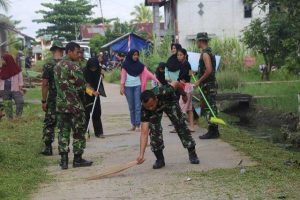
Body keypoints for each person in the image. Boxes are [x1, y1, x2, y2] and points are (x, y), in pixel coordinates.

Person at [136, 83, 200, 169]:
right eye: (147, 107)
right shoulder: (145, 110)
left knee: (180, 124)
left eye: (151, 105)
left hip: (170, 102)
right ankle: (160, 159)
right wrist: (141, 155)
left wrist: (184, 94)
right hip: (157, 110)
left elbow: (177, 83)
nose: (150, 108)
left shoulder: (164, 91)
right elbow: (144, 133)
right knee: (154, 131)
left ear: (156, 98)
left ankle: (192, 153)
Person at [54, 42, 97, 170]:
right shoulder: (74, 67)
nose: (79, 55)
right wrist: (92, 92)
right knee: (78, 132)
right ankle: (77, 159)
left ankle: (64, 160)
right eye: (77, 52)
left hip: (61, 105)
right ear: (69, 51)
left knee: (63, 132)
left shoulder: (57, 66)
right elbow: (81, 86)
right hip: (74, 105)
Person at [120, 49, 159, 132]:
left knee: (138, 106)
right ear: (131, 55)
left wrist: (157, 81)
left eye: (137, 55)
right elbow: (123, 77)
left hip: (137, 86)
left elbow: (149, 74)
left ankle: (138, 125)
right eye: (134, 55)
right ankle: (133, 124)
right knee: (131, 107)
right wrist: (122, 87)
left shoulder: (140, 66)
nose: (136, 56)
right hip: (128, 87)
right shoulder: (125, 65)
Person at [40, 41, 65, 156]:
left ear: (53, 50)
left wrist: (44, 101)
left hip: (52, 99)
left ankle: (48, 147)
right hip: (66, 98)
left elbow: (45, 84)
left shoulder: (48, 65)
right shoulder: (67, 64)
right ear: (62, 50)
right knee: (63, 123)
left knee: (50, 122)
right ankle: (63, 148)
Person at [193, 32, 219, 139]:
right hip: (209, 84)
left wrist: (199, 81)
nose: (196, 43)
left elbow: (209, 70)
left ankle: (213, 131)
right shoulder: (209, 52)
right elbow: (205, 69)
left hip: (208, 85)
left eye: (197, 41)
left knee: (210, 107)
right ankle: (213, 130)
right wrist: (195, 73)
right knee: (210, 106)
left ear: (200, 41)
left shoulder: (205, 54)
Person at [84, 57, 106, 138]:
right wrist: (92, 92)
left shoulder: (98, 70)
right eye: (92, 68)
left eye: (95, 68)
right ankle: (85, 132)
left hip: (96, 94)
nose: (93, 69)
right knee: (86, 114)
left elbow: (100, 80)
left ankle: (99, 132)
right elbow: (84, 85)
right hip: (86, 95)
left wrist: (102, 74)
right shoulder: (84, 71)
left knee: (96, 113)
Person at [0, 53, 24, 119]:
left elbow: (20, 80)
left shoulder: (17, 69)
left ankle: (18, 117)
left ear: (8, 60)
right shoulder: (1, 69)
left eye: (3, 60)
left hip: (15, 89)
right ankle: (10, 119)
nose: (2, 61)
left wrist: (21, 89)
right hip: (4, 90)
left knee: (20, 102)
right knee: (7, 105)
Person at [177, 48, 195, 132]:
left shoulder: (186, 64)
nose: (179, 57)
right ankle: (192, 126)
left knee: (180, 107)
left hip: (186, 88)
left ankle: (178, 126)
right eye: (178, 55)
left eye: (181, 55)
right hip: (188, 87)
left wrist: (179, 83)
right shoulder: (183, 64)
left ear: (184, 55)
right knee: (189, 109)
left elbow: (183, 78)